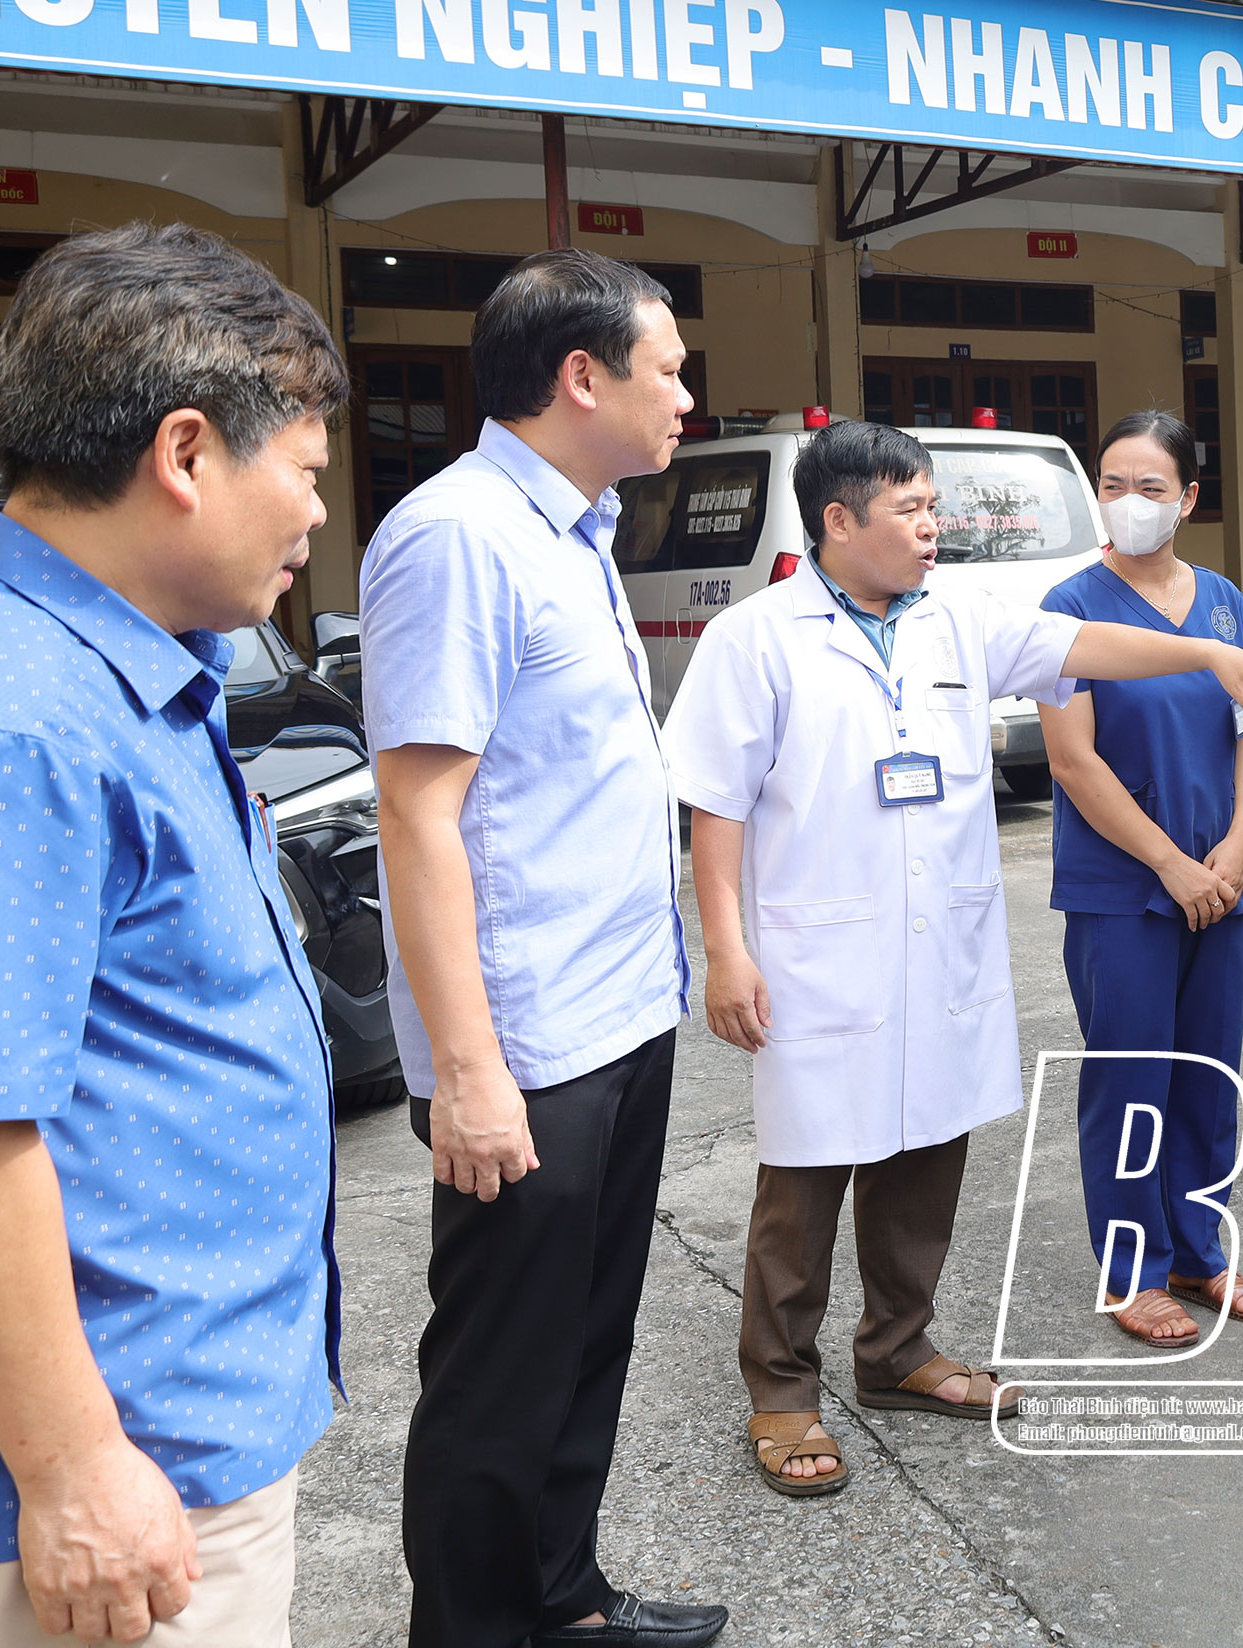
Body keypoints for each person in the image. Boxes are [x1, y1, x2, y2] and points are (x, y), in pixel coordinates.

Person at [0, 222, 346, 1646]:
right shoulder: (1, 720)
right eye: (304, 474)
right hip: (125, 1465)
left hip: (174, 1418)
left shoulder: (115, 668)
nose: (314, 518)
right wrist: (75, 1470)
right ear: (186, 453)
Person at [660, 419, 1243, 1495]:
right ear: (840, 520)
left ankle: (898, 1351)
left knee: (928, 1148)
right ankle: (782, 1389)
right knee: (809, 1168)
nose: (934, 527)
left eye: (935, 506)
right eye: (912, 509)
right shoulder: (758, 637)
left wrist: (1207, 650)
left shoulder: (959, 617)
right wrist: (724, 949)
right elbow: (715, 806)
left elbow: (1088, 649)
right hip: (822, 952)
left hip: (941, 943)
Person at [361, 249, 723, 1648]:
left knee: (584, 1343)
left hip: (619, 1009)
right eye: (668, 369)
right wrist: (467, 1071)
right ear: (582, 376)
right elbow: (417, 811)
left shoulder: (576, 528)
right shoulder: (459, 537)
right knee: (498, 1376)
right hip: (526, 1048)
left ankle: (561, 1598)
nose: (686, 395)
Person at [1037, 413, 1243, 1346]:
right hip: (1123, 890)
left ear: (1188, 499)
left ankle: (1197, 1252)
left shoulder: (1221, 602)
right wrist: (1171, 864)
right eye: (1111, 484)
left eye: (1149, 487)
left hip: (1220, 882)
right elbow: (1073, 761)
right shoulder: (1069, 605)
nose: (1127, 502)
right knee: (1131, 1082)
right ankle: (1133, 1271)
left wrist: (1238, 844)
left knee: (1209, 1078)